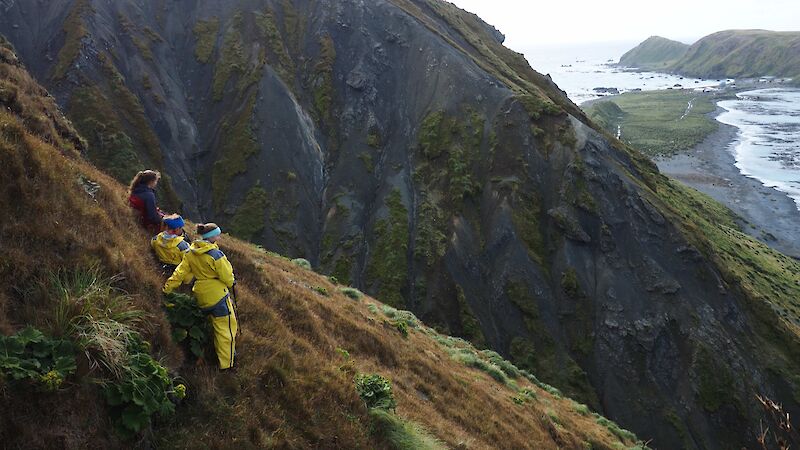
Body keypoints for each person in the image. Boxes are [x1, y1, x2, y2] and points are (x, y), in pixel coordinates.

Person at [163, 223, 238, 370]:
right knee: (225, 329)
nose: (219, 236)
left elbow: (180, 273)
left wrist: (167, 289)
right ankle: (227, 365)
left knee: (213, 325)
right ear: (212, 237)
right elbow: (228, 278)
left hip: (201, 295)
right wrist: (232, 282)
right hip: (218, 296)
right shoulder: (216, 255)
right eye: (218, 234)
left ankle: (213, 354)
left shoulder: (191, 252)